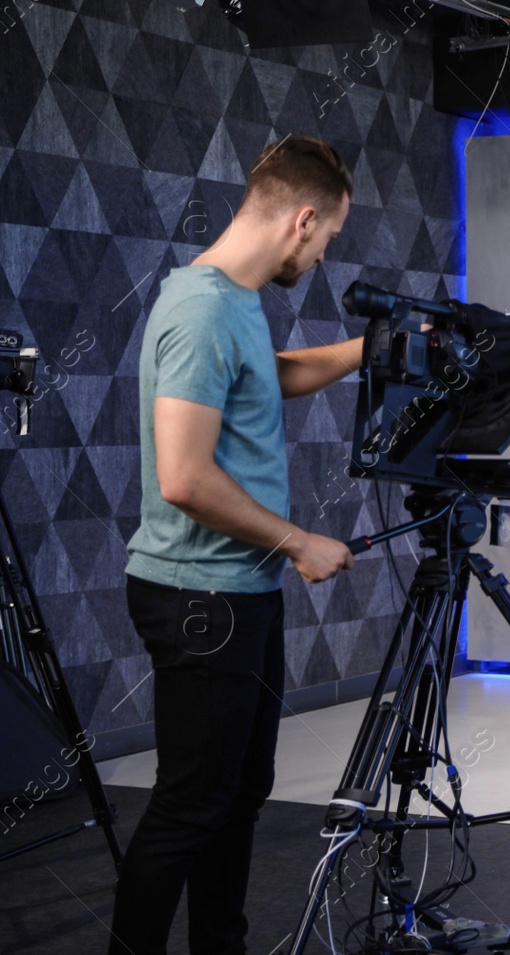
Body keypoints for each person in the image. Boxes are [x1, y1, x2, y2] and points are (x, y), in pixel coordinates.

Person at [112, 136, 362, 955]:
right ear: (301, 220)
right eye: (326, 241)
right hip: (198, 597)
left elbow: (270, 375)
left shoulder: (234, 302)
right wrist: (298, 541)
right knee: (191, 802)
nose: (323, 257)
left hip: (235, 592)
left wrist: (372, 350)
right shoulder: (204, 306)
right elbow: (182, 476)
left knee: (239, 791)